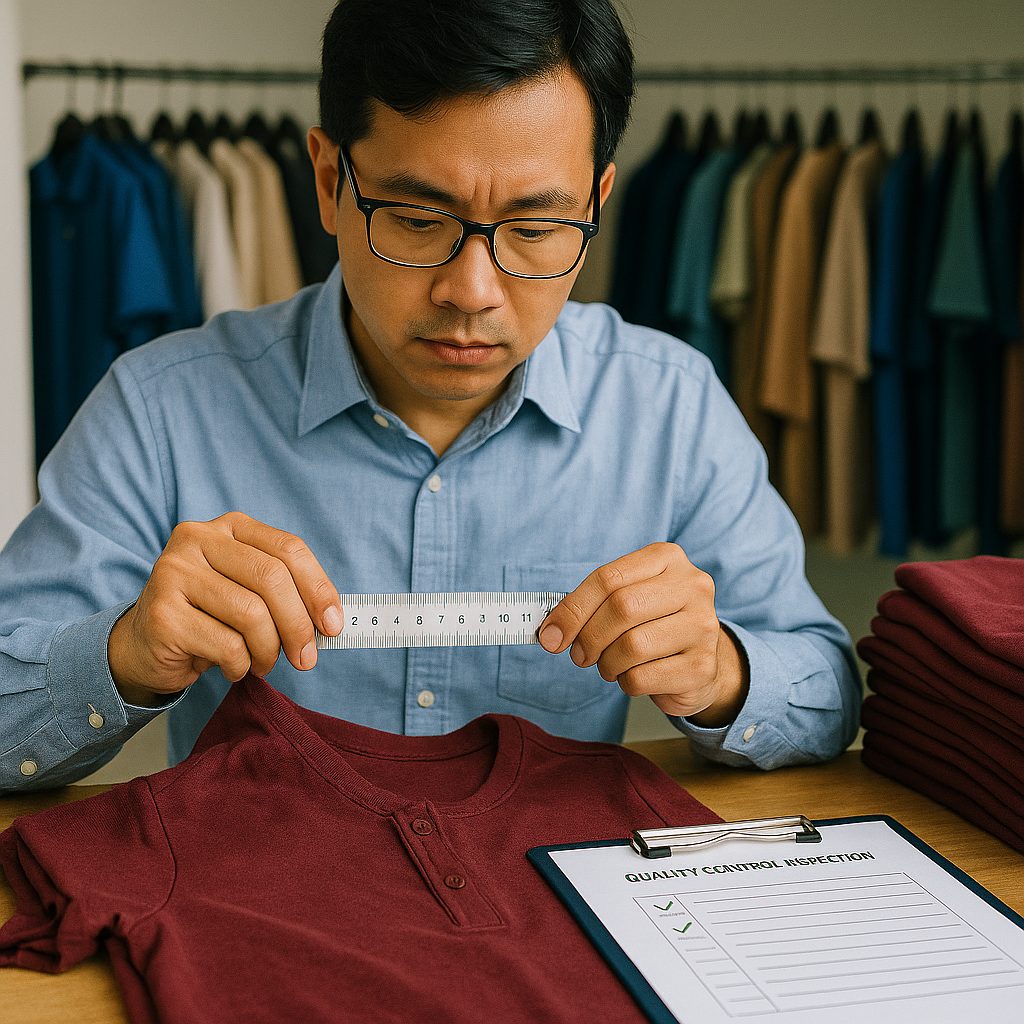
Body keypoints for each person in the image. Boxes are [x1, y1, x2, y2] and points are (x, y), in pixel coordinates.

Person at [0, 0, 860, 792]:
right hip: (261, 919)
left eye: (534, 229)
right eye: (419, 221)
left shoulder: (671, 407)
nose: (473, 290)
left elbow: (827, 691)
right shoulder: (158, 409)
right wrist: (127, 654)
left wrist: (722, 675)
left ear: (597, 202)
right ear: (331, 181)